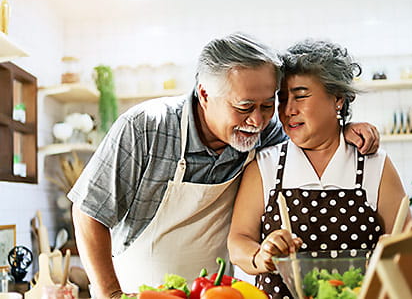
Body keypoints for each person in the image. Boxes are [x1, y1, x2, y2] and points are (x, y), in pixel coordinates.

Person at [68, 33, 380, 299]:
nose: (257, 121)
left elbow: (309, 129)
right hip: (140, 291)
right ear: (205, 94)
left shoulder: (264, 131)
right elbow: (88, 212)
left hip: (215, 290)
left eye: (268, 105)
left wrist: (344, 128)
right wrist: (111, 294)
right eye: (244, 107)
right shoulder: (145, 129)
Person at [227, 38, 410, 298]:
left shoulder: (373, 163)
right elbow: (238, 241)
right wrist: (260, 255)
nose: (288, 109)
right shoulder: (265, 165)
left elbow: (409, 245)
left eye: (301, 96)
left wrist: (396, 250)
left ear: (338, 99)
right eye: (282, 98)